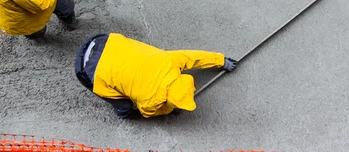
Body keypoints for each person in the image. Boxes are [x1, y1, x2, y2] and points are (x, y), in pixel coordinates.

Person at [75, 33, 238, 118]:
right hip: (89, 71)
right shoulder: (151, 100)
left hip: (102, 41)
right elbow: (148, 112)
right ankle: (125, 115)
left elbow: (194, 57)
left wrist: (221, 60)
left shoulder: (171, 62)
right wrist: (170, 108)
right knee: (125, 107)